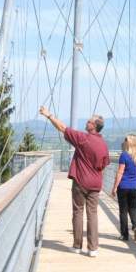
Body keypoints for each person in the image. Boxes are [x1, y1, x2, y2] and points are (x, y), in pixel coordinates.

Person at [39, 106, 110, 257]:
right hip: (96, 184)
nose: (87, 122)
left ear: (94, 126)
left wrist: (48, 115)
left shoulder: (83, 138)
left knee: (78, 212)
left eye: (90, 121)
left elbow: (62, 128)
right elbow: (104, 164)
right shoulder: (104, 144)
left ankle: (77, 245)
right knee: (93, 214)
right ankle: (93, 248)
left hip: (81, 181)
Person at [111, 134, 136, 242]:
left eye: (125, 140)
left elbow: (120, 173)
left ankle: (125, 235)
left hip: (123, 186)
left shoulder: (124, 155)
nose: (123, 141)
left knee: (123, 211)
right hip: (135, 187)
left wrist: (114, 187)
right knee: (133, 208)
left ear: (128, 143)